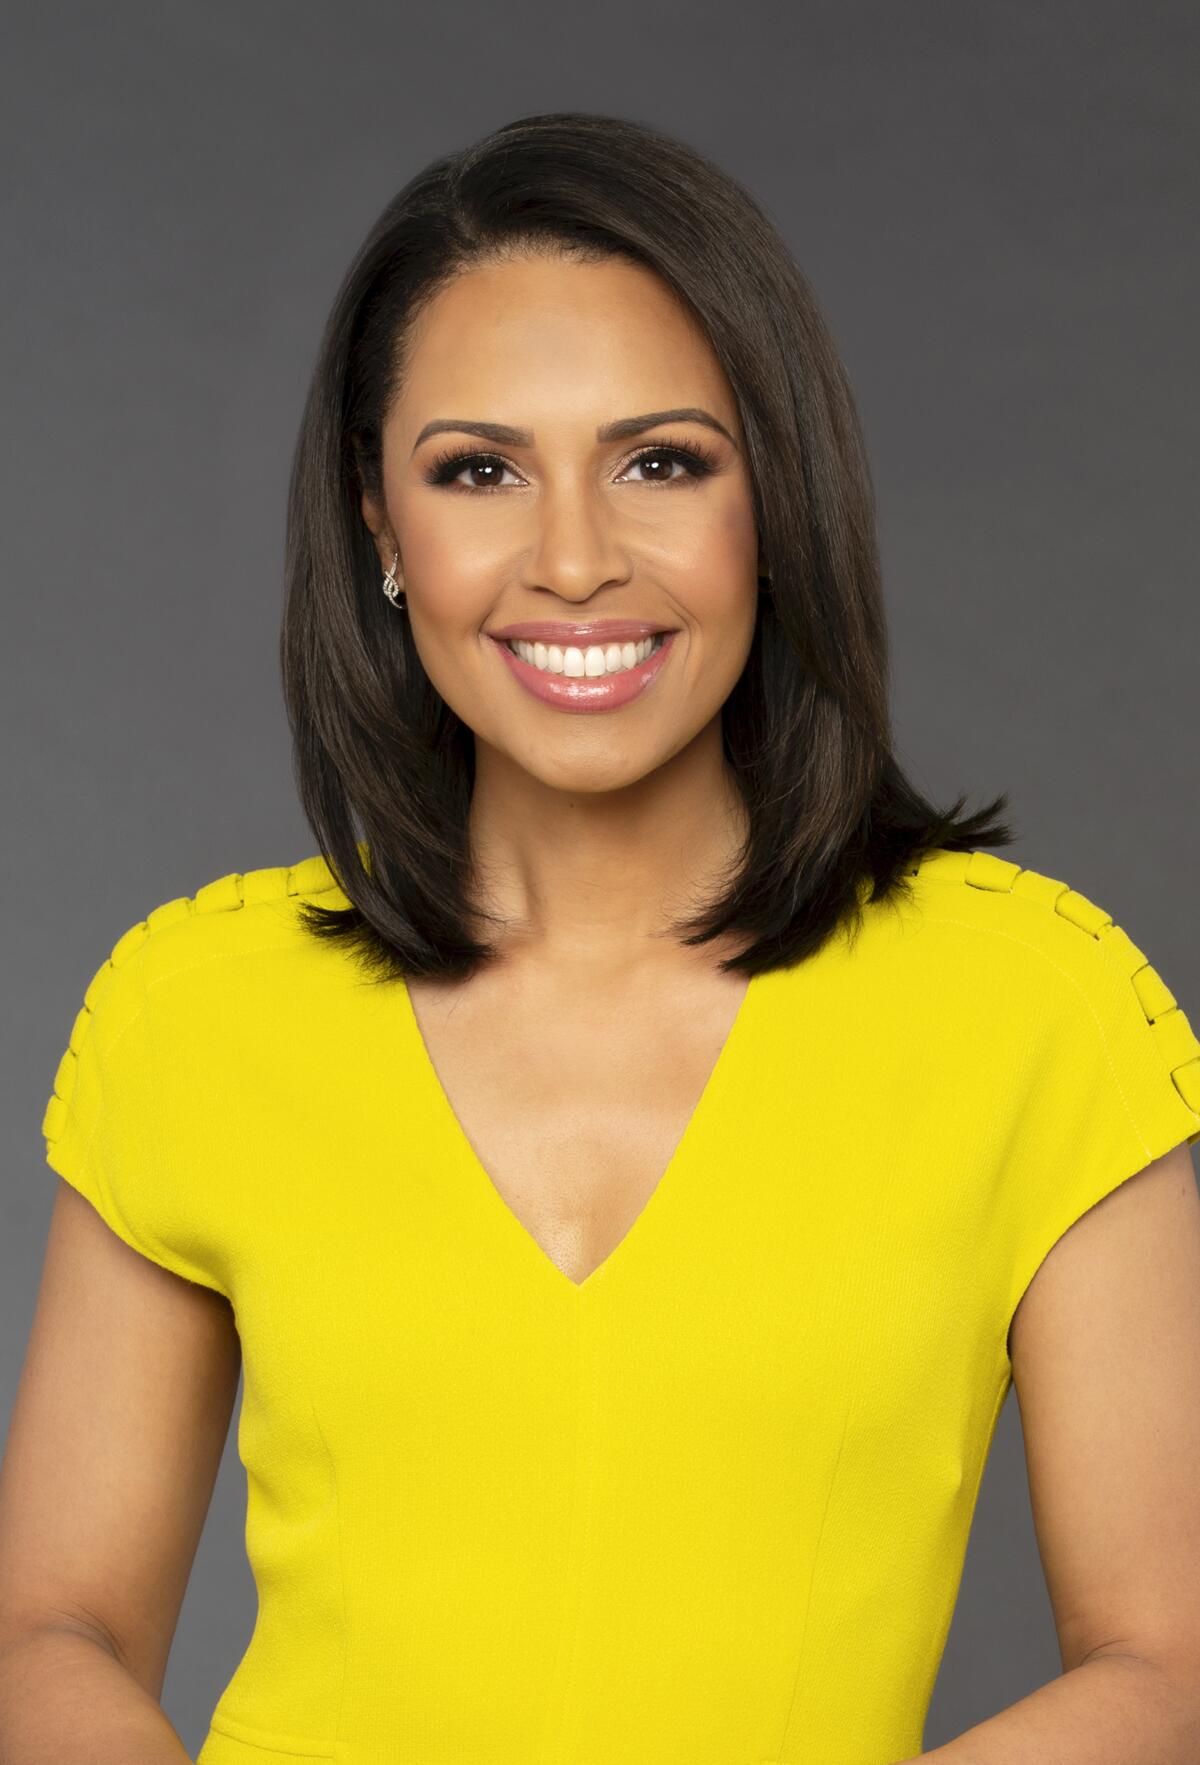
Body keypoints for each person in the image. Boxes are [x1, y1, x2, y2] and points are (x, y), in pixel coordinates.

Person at [3, 110, 1200, 1765]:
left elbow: (1167, 1660)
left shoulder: (1039, 1009)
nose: (573, 559)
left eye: (662, 461)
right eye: (477, 469)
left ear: (769, 495)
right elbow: (49, 1630)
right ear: (378, 525)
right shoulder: (190, 1013)